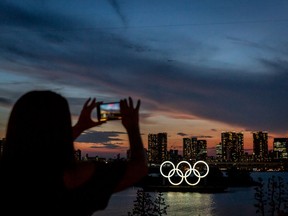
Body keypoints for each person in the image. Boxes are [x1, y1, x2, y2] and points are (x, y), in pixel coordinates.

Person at [0, 90, 148, 216]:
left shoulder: (10, 181)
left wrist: (79, 126)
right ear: (62, 126)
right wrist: (132, 127)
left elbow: (44, 145)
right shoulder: (76, 179)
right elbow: (138, 168)